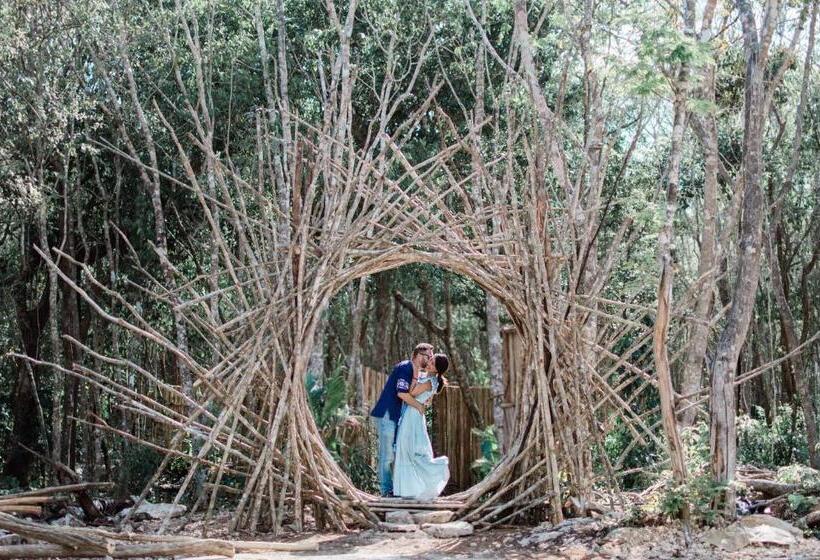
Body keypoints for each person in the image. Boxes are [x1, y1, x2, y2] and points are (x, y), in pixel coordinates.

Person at [370, 343, 433, 497]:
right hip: (387, 414)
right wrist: (419, 406)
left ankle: (396, 489)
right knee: (387, 456)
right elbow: (402, 393)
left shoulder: (415, 372)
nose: (430, 359)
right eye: (428, 356)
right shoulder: (405, 367)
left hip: (396, 417)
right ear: (419, 355)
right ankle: (386, 491)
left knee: (396, 454)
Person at [393, 353, 450, 500]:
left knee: (408, 448)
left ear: (437, 369)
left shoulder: (430, 381)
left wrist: (415, 375)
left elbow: (411, 393)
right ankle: (408, 490)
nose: (429, 362)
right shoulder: (430, 379)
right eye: (430, 360)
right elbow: (427, 400)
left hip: (413, 415)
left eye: (433, 363)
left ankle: (437, 469)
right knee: (407, 448)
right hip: (413, 413)